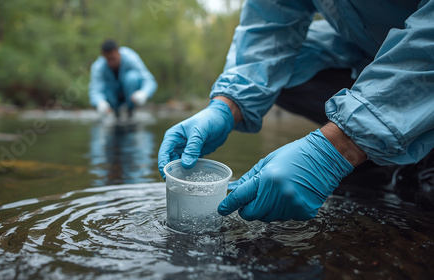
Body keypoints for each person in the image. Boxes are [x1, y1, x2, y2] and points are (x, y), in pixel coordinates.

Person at [158, 0, 434, 223]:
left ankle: (385, 144)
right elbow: (269, 22)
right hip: (368, 51)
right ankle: (374, 155)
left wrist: (337, 147)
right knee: (285, 64)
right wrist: (227, 105)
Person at [89, 40, 157, 118]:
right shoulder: (98, 66)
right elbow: (95, 90)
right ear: (103, 56)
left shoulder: (131, 57)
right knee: (103, 86)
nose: (111, 62)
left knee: (132, 77)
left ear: (118, 52)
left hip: (131, 96)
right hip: (112, 99)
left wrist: (144, 93)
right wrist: (100, 102)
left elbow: (149, 80)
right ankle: (115, 112)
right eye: (108, 59)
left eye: (113, 58)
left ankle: (131, 110)